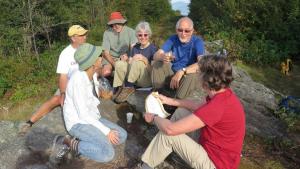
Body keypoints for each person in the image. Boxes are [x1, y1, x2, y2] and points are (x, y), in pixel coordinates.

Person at [139, 55, 246, 169]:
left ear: (207, 78)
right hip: (213, 147)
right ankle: (161, 149)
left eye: (199, 72)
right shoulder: (222, 93)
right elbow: (196, 106)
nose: (197, 75)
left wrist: (154, 117)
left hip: (215, 164)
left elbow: (170, 130)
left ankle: (145, 166)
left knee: (169, 135)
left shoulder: (217, 106)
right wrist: (170, 101)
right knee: (181, 112)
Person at [50, 43, 127, 165]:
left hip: (93, 118)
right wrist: (107, 132)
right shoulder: (78, 81)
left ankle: (91, 143)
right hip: (78, 123)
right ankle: (69, 142)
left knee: (122, 135)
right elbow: (83, 115)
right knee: (108, 153)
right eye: (99, 56)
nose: (102, 57)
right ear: (93, 62)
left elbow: (94, 100)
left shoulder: (92, 75)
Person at [19, 25, 88, 135]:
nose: (85, 37)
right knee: (57, 99)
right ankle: (30, 122)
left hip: (87, 83)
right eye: (82, 35)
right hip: (71, 84)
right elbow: (63, 76)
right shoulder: (66, 54)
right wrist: (63, 93)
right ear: (73, 38)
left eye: (85, 34)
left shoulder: (88, 48)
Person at [152, 17, 205, 99]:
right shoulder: (173, 39)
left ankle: (177, 102)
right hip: (173, 72)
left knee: (193, 75)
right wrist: (163, 56)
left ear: (192, 31)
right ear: (176, 30)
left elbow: (202, 63)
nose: (183, 34)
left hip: (186, 76)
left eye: (187, 31)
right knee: (157, 63)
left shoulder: (197, 42)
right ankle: (158, 94)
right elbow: (156, 55)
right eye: (180, 30)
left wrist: (182, 71)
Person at [113, 21, 158, 103]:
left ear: (149, 35)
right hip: (134, 78)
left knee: (138, 62)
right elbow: (130, 65)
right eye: (140, 35)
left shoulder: (153, 49)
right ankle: (118, 87)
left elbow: (154, 72)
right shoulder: (135, 47)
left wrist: (145, 60)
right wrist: (126, 59)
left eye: (145, 35)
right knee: (120, 63)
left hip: (145, 80)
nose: (143, 37)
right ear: (137, 36)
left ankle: (128, 88)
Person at [101, 11, 138, 78]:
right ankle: (105, 86)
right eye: (113, 24)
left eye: (118, 23)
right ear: (111, 25)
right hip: (111, 58)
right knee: (106, 72)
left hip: (125, 57)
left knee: (128, 70)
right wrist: (114, 64)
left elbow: (133, 49)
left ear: (122, 22)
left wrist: (129, 58)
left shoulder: (131, 32)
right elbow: (106, 53)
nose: (116, 26)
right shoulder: (107, 33)